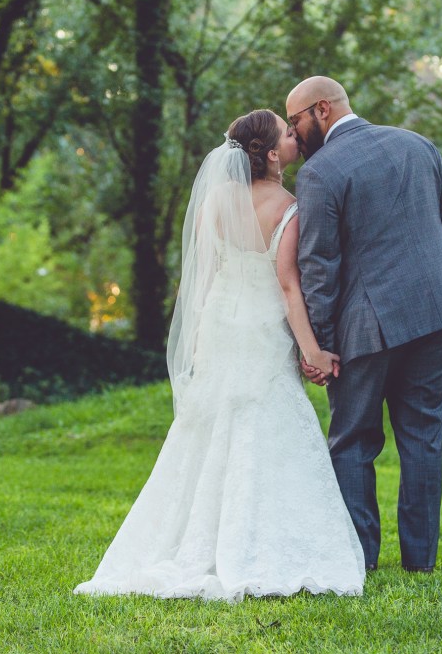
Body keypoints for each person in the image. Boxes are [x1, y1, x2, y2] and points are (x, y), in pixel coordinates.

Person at [74, 109, 365, 602]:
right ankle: (253, 540)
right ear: (269, 154)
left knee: (209, 425)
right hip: (261, 327)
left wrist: (194, 337)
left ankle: (197, 537)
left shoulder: (216, 199)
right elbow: (289, 288)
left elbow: (201, 274)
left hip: (218, 324)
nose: (294, 139)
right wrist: (313, 350)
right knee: (262, 421)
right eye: (287, 135)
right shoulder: (289, 207)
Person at [287, 76, 442, 574]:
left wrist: (321, 346)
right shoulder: (417, 145)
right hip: (440, 311)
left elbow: (319, 265)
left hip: (368, 325)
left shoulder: (319, 173)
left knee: (353, 439)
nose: (294, 134)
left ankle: (361, 558)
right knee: (423, 435)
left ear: (322, 110)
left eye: (295, 121)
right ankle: (420, 562)